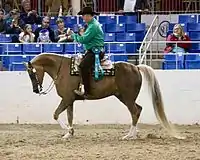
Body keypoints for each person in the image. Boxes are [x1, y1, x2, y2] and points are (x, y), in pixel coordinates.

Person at [67, 6, 104, 97]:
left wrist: (73, 35)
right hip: (93, 50)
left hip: (95, 51)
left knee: (83, 66)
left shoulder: (93, 26)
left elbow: (83, 39)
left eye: (83, 15)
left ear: (88, 16)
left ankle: (88, 91)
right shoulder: (92, 24)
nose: (82, 17)